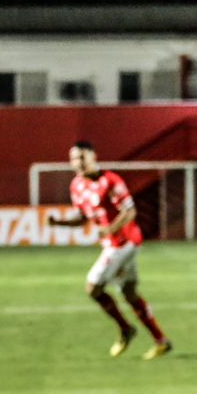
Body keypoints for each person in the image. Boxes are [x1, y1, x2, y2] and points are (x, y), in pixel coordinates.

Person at [47, 141, 172, 359]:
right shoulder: (76, 185)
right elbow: (82, 217)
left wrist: (110, 229)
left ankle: (126, 329)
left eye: (82, 157)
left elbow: (130, 212)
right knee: (129, 293)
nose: (78, 162)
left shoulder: (110, 180)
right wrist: (60, 223)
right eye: (74, 158)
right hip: (116, 244)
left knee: (92, 288)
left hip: (123, 243)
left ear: (93, 157)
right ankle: (161, 340)